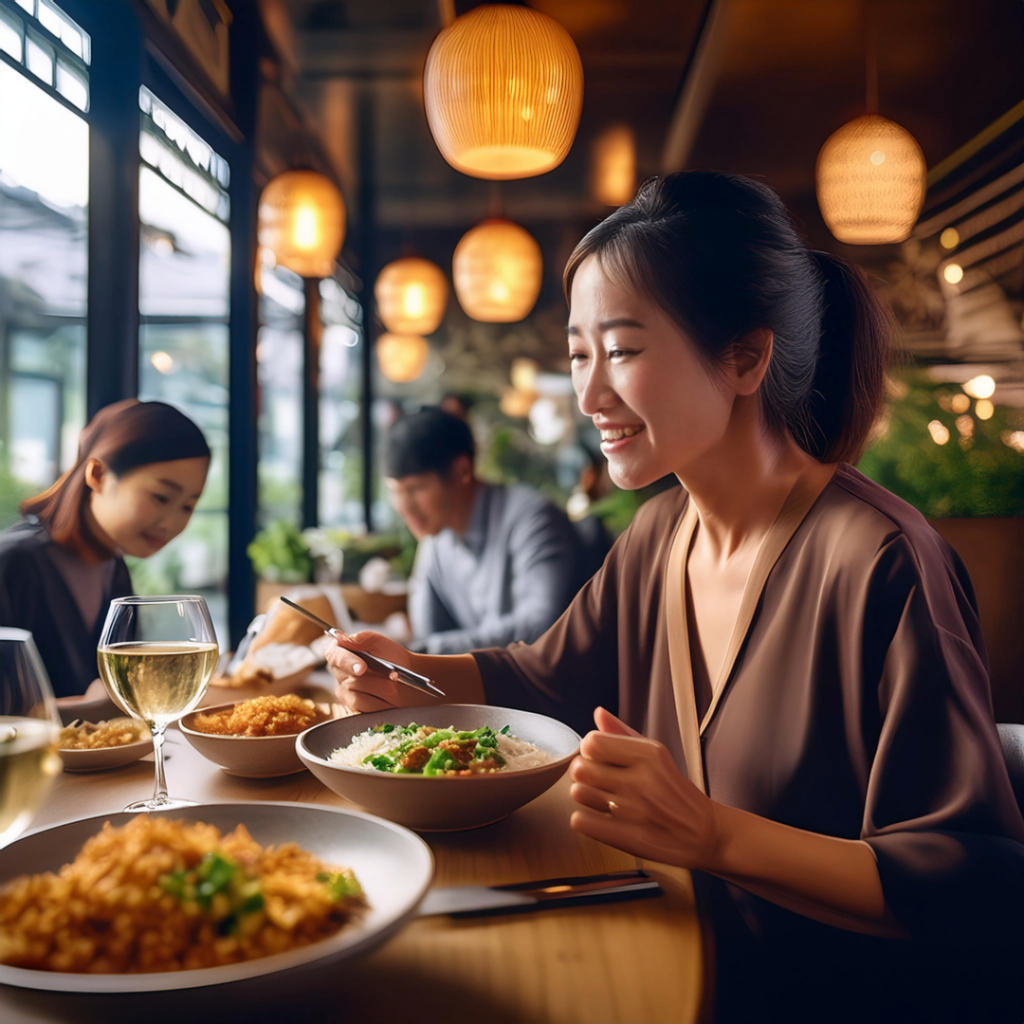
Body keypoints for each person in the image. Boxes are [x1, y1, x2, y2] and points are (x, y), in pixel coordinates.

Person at [327, 173, 1024, 1021]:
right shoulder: (661, 531)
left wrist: (711, 834)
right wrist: (409, 672)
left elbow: (972, 879)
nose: (589, 397)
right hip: (666, 950)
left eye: (621, 350)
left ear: (745, 357)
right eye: (579, 354)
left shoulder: (884, 563)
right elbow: (548, 678)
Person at [0, 399, 210, 698]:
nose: (172, 522)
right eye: (161, 497)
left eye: (188, 506)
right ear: (97, 475)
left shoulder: (113, 569)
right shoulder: (11, 565)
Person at [385, 407, 584, 655]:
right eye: (395, 491)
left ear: (462, 471)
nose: (404, 508)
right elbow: (427, 636)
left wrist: (424, 649)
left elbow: (542, 624)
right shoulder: (436, 539)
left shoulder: (532, 518)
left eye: (415, 489)